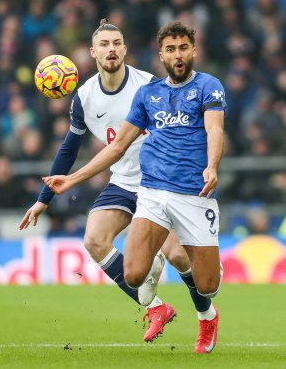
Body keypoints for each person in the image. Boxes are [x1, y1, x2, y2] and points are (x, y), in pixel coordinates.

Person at [21, 19, 220, 350]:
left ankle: (206, 315)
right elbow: (70, 149)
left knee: (179, 257)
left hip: (160, 181)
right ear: (92, 52)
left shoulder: (148, 85)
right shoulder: (84, 97)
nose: (111, 49)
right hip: (124, 181)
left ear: (125, 49)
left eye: (116, 43)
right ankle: (156, 309)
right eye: (104, 44)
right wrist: (44, 198)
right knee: (94, 239)